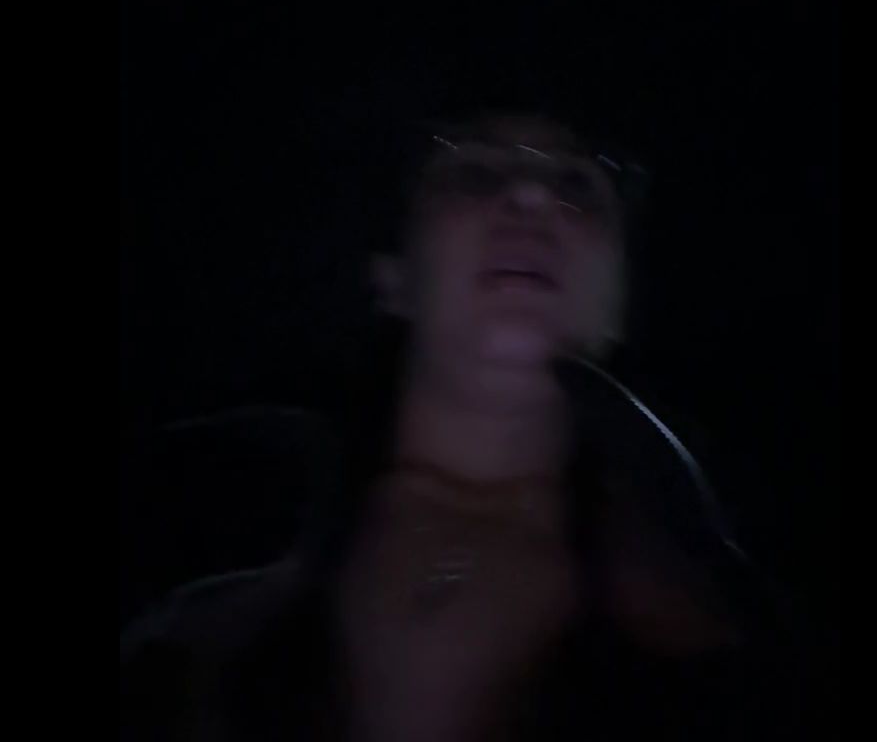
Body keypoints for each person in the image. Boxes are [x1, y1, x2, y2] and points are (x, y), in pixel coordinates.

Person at [121, 109, 799, 740]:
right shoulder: (200, 507)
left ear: (618, 301)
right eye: (474, 172)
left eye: (578, 185)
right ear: (393, 277)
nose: (531, 197)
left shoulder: (721, 578)